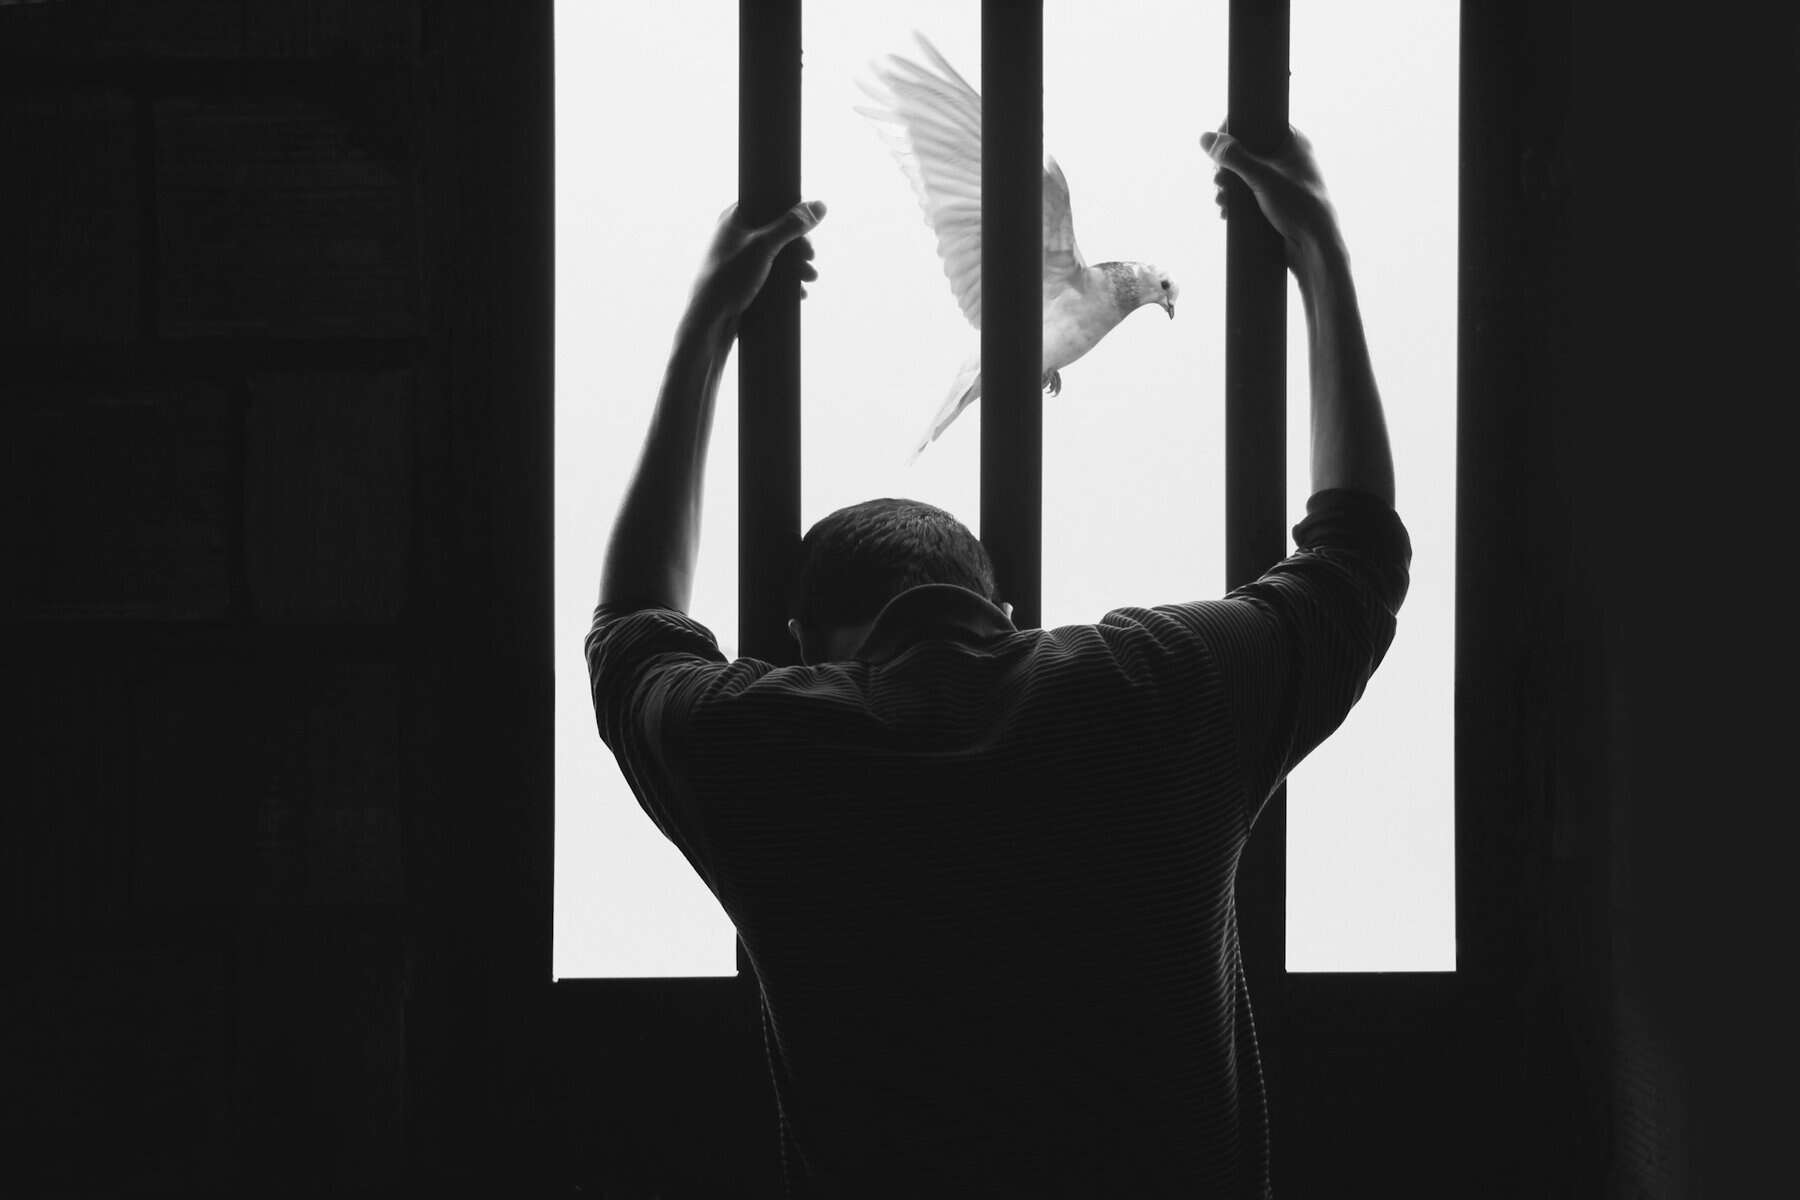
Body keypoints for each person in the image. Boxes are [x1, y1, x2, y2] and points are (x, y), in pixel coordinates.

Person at [587, 125, 1408, 1198]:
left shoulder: (766, 747)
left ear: (804, 648)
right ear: (1007, 611)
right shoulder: (1159, 692)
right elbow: (1354, 564)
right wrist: (1318, 253)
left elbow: (630, 634)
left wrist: (710, 323)